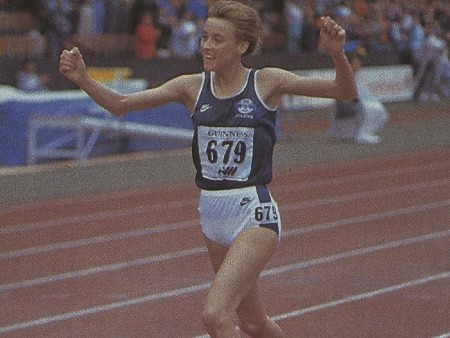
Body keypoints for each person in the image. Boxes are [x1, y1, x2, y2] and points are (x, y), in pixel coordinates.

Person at [59, 1, 357, 336]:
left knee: (216, 315)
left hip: (252, 212)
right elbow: (121, 104)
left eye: (217, 40)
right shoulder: (191, 86)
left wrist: (336, 54)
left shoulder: (266, 82)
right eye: (205, 38)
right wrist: (82, 79)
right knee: (254, 323)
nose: (206, 46)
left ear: (241, 46)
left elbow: (343, 92)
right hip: (212, 213)